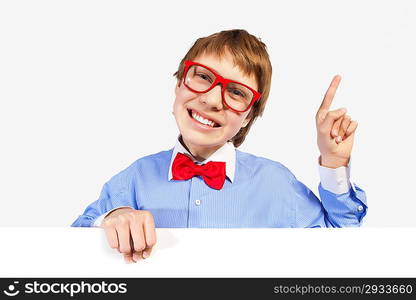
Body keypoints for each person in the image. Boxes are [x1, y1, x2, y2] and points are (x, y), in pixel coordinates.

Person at [71, 29, 367, 263]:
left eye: (236, 92)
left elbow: (344, 247)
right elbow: (68, 246)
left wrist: (333, 162)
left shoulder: (276, 185)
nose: (212, 100)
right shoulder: (134, 178)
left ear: (248, 115)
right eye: (203, 76)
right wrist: (110, 218)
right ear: (178, 83)